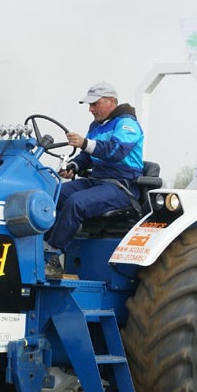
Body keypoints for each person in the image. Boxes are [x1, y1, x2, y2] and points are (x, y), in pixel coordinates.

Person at [44, 81, 144, 277]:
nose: (90, 109)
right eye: (89, 105)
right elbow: (87, 156)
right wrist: (74, 166)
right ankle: (42, 249)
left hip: (121, 187)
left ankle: (53, 258)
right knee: (52, 195)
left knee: (76, 203)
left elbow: (115, 151)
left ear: (111, 101)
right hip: (97, 181)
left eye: (94, 104)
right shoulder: (96, 126)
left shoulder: (127, 124)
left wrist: (84, 143)